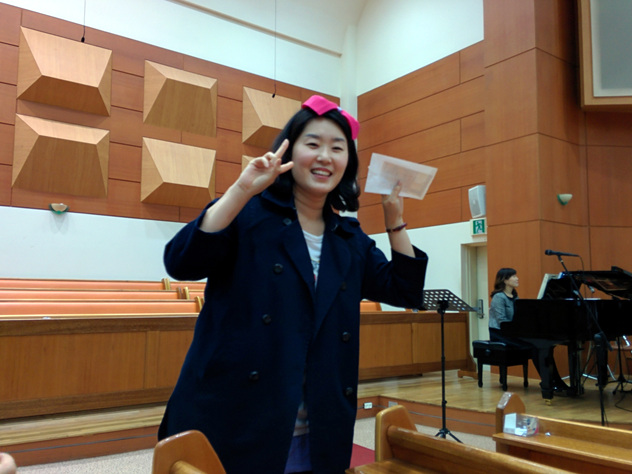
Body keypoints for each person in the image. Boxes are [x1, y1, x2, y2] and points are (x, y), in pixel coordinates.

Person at [158, 95, 428, 473]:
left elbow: (404, 290)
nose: (325, 157)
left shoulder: (348, 238)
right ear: (288, 150)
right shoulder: (249, 213)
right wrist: (241, 189)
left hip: (318, 423)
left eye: (337, 148)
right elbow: (181, 262)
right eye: (313, 144)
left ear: (348, 162)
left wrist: (394, 220)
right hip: (236, 415)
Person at [488, 267, 567, 398]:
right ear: (505, 280)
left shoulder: (515, 296)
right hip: (501, 334)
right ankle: (548, 383)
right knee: (536, 347)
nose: (517, 278)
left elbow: (520, 317)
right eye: (513, 276)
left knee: (544, 345)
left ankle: (556, 382)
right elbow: (502, 321)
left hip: (512, 332)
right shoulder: (499, 297)